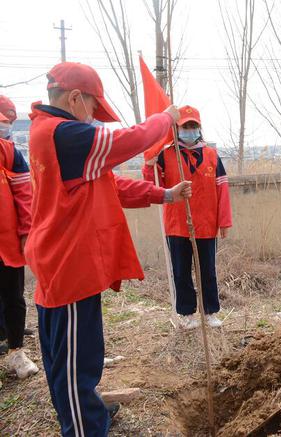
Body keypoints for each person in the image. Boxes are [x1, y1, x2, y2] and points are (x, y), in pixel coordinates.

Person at [26, 61, 191, 436]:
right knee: (72, 365)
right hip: (66, 267)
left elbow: (111, 185)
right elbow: (127, 141)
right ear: (73, 98)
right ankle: (84, 425)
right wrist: (164, 120)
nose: (94, 120)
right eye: (92, 109)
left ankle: (89, 411)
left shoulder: (61, 138)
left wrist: (163, 194)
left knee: (77, 355)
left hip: (73, 264)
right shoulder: (63, 135)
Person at [143, 105, 232, 329]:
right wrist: (149, 167)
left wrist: (224, 221)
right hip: (177, 224)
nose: (189, 130)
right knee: (181, 272)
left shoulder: (212, 155)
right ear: (176, 128)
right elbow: (155, 187)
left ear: (199, 128)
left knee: (207, 271)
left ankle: (210, 311)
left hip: (206, 223)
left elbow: (222, 189)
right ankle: (186, 314)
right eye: (185, 126)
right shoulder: (166, 155)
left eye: (193, 126)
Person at [0, 99, 39, 381]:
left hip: (7, 242)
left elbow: (24, 196)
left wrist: (26, 233)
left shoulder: (10, 153)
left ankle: (16, 352)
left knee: (13, 296)